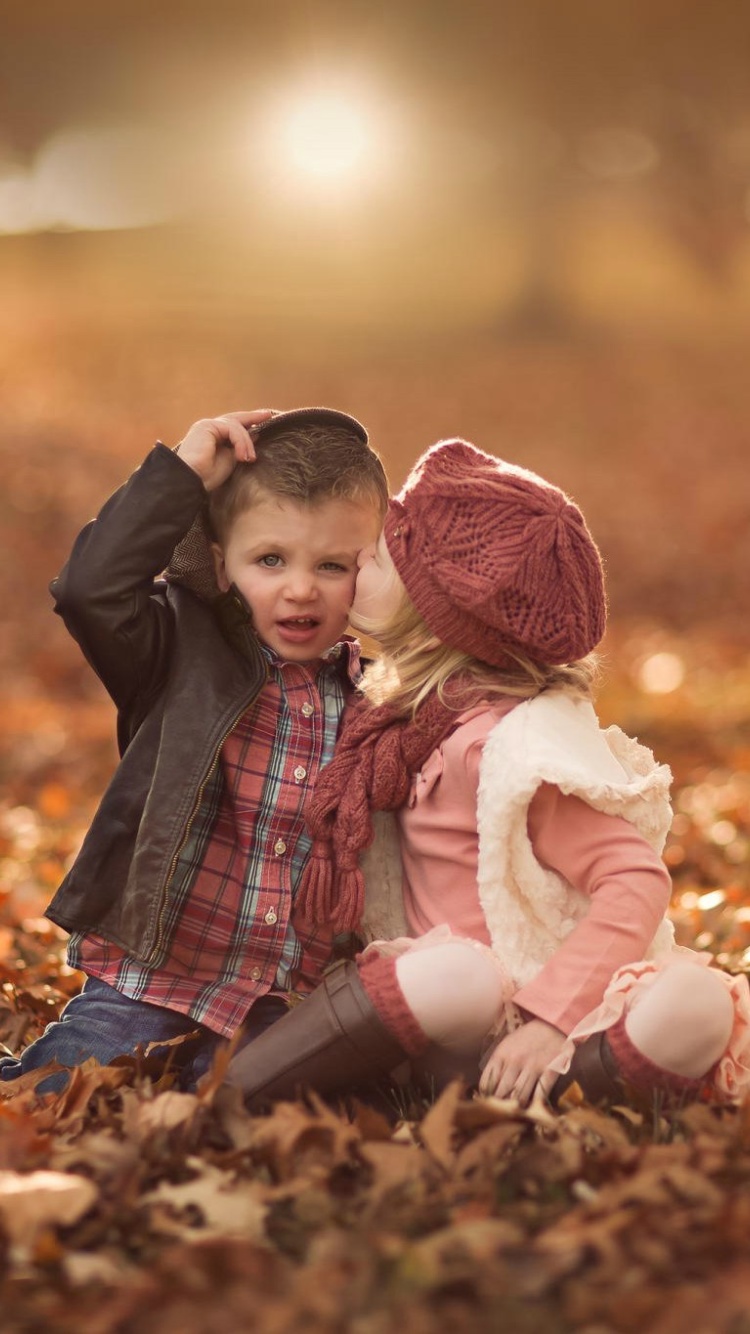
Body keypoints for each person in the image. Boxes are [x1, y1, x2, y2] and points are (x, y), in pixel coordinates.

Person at [225, 436, 750, 1111]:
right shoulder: (398, 726)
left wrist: (547, 1021)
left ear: (440, 617)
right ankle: (235, 1093)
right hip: (450, 1011)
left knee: (696, 1000)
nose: (359, 559)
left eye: (381, 556)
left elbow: (633, 880)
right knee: (458, 976)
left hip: (553, 1011)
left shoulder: (512, 746)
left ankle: (555, 1094)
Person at [0, 407, 388, 1092]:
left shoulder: (373, 702)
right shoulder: (178, 650)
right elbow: (91, 592)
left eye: (332, 564)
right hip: (150, 986)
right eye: (270, 559)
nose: (301, 587)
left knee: (274, 1107)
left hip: (275, 1004)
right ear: (220, 563)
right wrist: (179, 477)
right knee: (55, 1093)